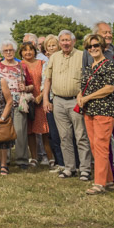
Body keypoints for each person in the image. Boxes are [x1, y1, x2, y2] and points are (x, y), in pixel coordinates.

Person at [83, 21, 114, 187]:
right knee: (101, 142)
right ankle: (107, 176)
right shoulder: (89, 52)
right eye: (105, 32)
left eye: (110, 32)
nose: (108, 35)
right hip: (93, 104)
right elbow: (85, 76)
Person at [43, 30, 92, 180]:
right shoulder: (54, 57)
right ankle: (69, 167)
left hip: (76, 101)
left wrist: (83, 94)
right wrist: (46, 99)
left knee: (81, 136)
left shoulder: (82, 55)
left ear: (73, 41)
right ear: (59, 42)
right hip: (58, 100)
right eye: (62, 40)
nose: (65, 43)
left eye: (67, 40)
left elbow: (89, 77)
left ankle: (85, 169)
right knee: (64, 136)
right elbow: (48, 79)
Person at [77, 34, 114, 195]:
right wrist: (80, 96)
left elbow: (110, 88)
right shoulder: (89, 67)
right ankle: (108, 179)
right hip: (89, 110)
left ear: (101, 46)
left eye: (95, 45)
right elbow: (83, 86)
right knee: (94, 146)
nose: (92, 49)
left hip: (104, 110)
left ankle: (99, 183)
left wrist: (88, 97)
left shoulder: (109, 65)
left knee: (101, 145)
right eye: (89, 47)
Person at [0, 39, 35, 167]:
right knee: (4, 132)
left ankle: (22, 159)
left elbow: (31, 85)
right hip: (2, 104)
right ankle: (4, 160)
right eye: (6, 50)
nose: (8, 52)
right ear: (2, 52)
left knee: (20, 131)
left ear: (15, 51)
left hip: (18, 104)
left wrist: (26, 88)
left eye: (10, 50)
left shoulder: (22, 66)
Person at [20, 42, 53, 168]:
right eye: (25, 50)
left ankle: (50, 157)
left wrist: (41, 96)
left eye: (30, 50)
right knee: (30, 131)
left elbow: (47, 81)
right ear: (21, 53)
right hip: (27, 101)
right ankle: (34, 157)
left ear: (35, 51)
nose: (28, 52)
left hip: (41, 99)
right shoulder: (20, 65)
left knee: (45, 130)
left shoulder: (42, 64)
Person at [41, 34, 65, 168]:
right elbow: (43, 83)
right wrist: (45, 99)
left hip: (61, 98)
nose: (51, 48)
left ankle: (70, 162)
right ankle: (59, 161)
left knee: (65, 133)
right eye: (48, 46)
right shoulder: (45, 64)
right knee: (53, 133)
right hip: (49, 99)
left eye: (53, 45)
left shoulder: (63, 61)